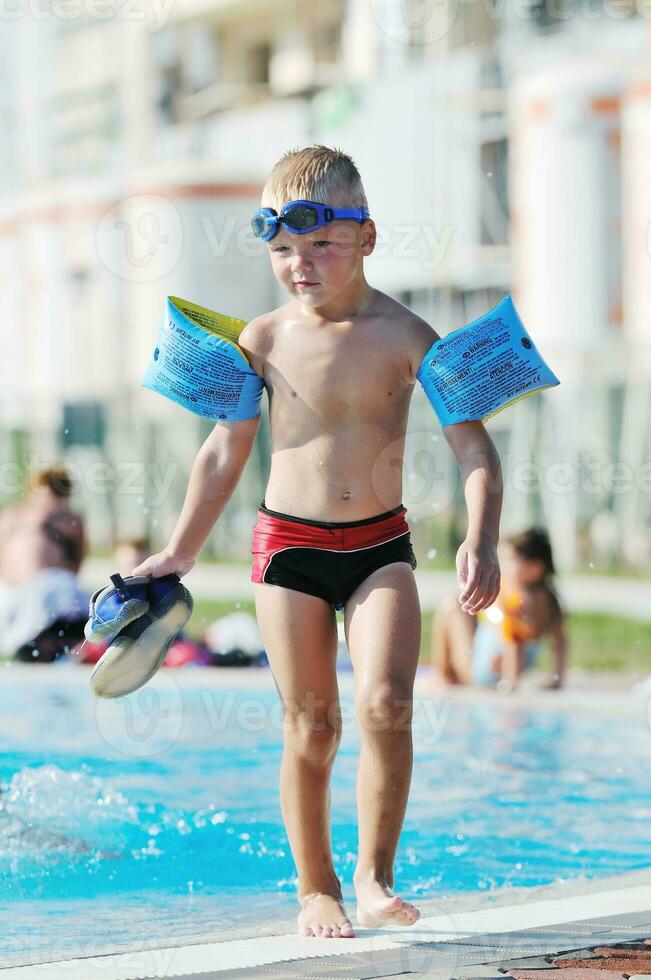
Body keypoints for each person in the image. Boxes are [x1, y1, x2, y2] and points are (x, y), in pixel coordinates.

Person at [132, 145, 503, 938]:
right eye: (282, 251)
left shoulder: (408, 334)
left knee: (387, 706)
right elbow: (223, 451)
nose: (300, 264)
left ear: (366, 237)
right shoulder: (261, 339)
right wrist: (180, 552)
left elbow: (473, 446)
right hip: (287, 549)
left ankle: (373, 875)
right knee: (313, 722)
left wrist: (482, 537)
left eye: (320, 246)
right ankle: (317, 887)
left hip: (380, 546)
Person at [432, 527, 567, 691]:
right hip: (505, 669)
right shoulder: (550, 599)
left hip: (484, 671)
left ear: (535, 569)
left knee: (451, 606)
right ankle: (449, 674)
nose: (502, 566)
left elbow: (513, 640)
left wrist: (509, 682)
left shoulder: (516, 599)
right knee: (469, 608)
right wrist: (558, 678)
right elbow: (560, 642)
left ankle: (443, 676)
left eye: (510, 560)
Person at [0, 464, 88, 661]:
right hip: (12, 593)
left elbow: (75, 566)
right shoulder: (12, 516)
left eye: (59, 494)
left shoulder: (69, 521)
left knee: (60, 584)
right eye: (49, 493)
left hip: (48, 592)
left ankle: (61, 641)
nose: (52, 500)